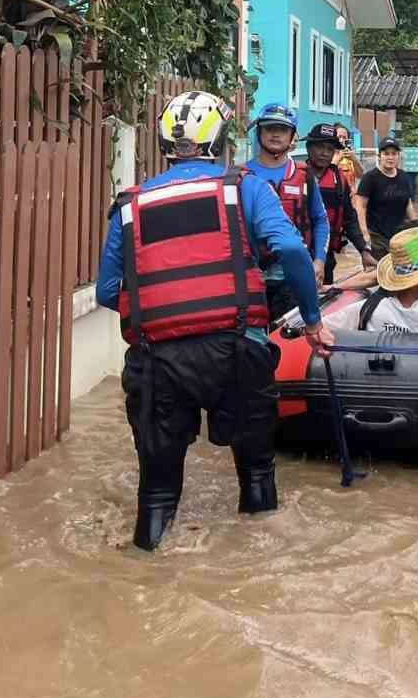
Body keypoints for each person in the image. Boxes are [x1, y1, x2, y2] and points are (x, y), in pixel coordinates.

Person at [96, 91, 334, 552]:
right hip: (237, 350)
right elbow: (289, 250)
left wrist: (170, 309)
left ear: (165, 141)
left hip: (157, 360)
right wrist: (312, 321)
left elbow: (109, 291)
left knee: (157, 492)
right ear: (223, 139)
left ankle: (144, 562)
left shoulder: (130, 203)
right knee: (258, 478)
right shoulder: (245, 188)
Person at [243, 103, 329, 320]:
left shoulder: (304, 175)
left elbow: (320, 220)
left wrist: (319, 260)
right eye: (269, 128)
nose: (275, 134)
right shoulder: (241, 176)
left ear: (292, 136)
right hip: (252, 277)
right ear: (259, 131)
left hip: (293, 277)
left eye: (282, 129)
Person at [303, 122, 376, 284]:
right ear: (309, 148)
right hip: (298, 253)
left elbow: (349, 219)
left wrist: (363, 250)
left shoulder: (339, 181)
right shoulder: (296, 177)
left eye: (330, 149)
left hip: (326, 255)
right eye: (320, 147)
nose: (324, 153)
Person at [354, 138, 416, 258]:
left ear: (398, 156)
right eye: (386, 153)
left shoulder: (404, 177)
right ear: (379, 156)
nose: (390, 157)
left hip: (399, 235)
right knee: (380, 271)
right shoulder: (370, 178)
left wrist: (416, 226)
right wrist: (364, 233)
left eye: (394, 154)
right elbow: (360, 206)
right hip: (376, 236)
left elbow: (408, 204)